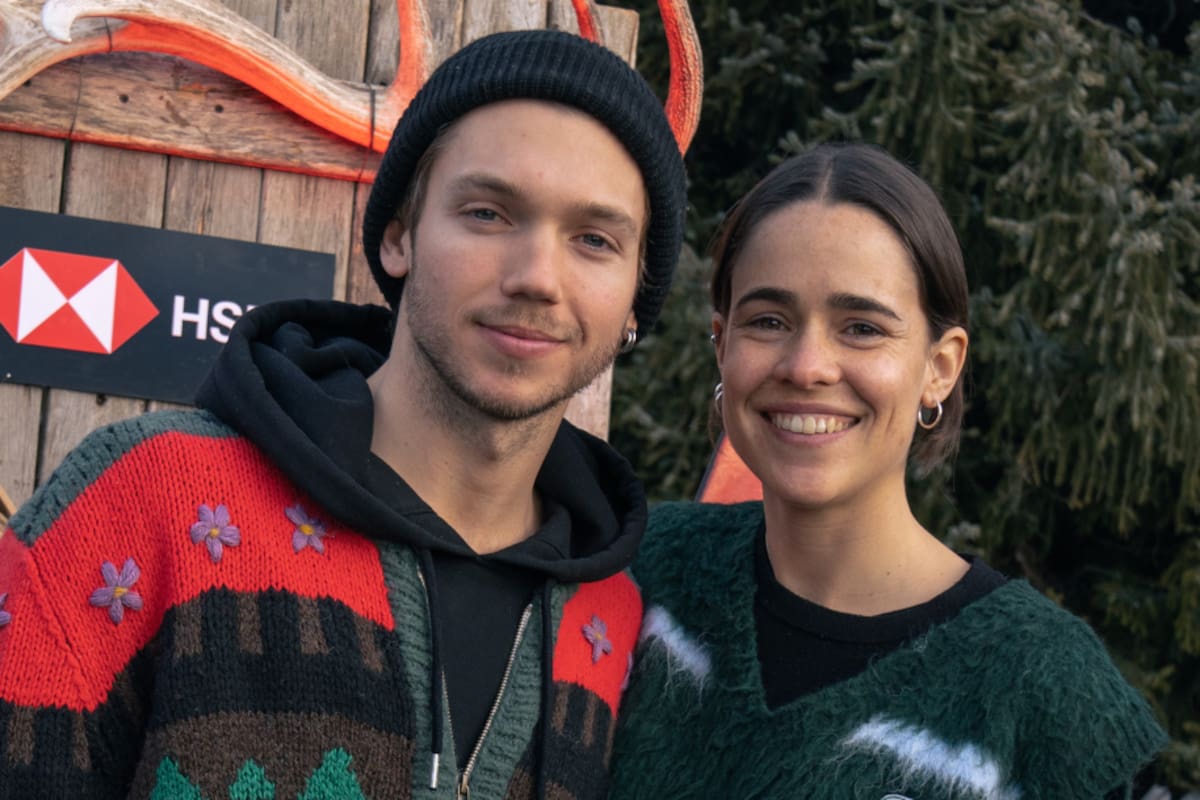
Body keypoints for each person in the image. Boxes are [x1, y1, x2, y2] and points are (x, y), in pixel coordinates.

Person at [0, 29, 686, 799]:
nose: (537, 277)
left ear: (634, 298)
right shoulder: (141, 500)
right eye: (489, 213)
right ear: (398, 235)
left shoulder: (617, 620)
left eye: (594, 240)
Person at [610, 143, 1166, 799]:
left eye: (862, 328)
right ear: (721, 341)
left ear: (941, 367)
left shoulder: (1045, 692)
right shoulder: (641, 576)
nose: (807, 365)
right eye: (768, 320)